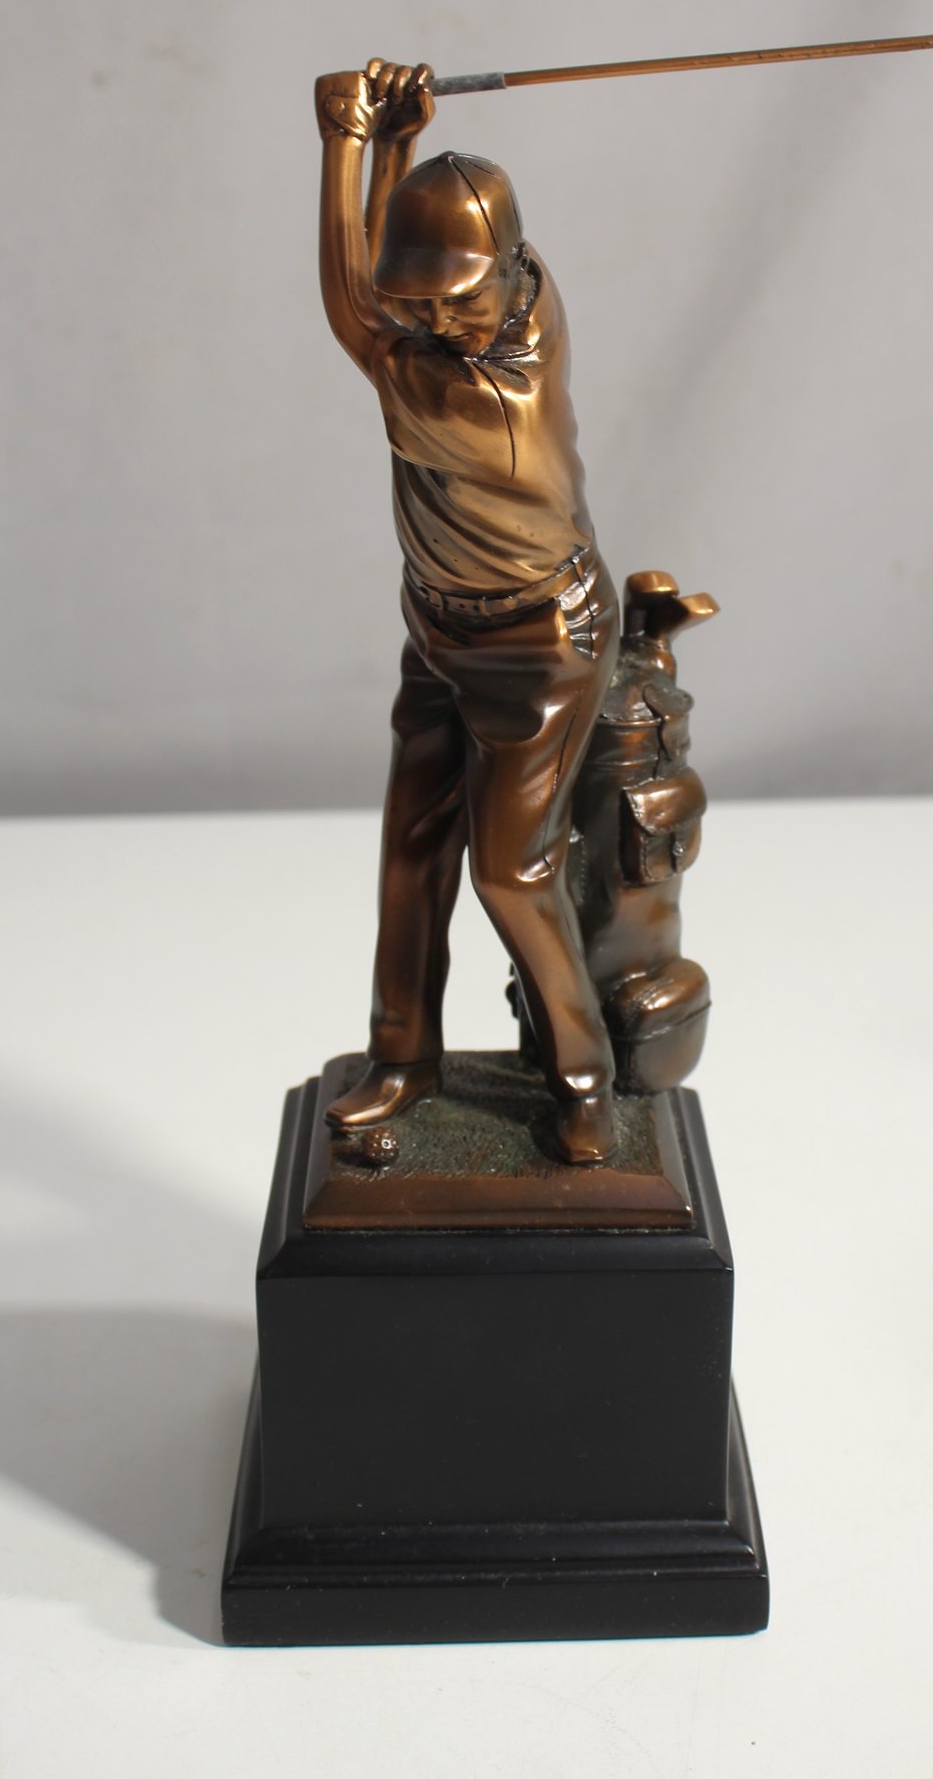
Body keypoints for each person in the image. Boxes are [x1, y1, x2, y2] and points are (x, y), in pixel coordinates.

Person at [312, 58, 621, 1165]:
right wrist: (397, 144)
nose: (439, 320)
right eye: (423, 299)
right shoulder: (526, 284)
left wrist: (344, 143)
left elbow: (353, 311)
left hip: (539, 648)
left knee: (508, 873)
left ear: (511, 270)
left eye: (461, 296)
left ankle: (582, 1075)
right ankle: (402, 1060)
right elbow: (383, 288)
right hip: (440, 625)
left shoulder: (490, 397)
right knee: (410, 851)